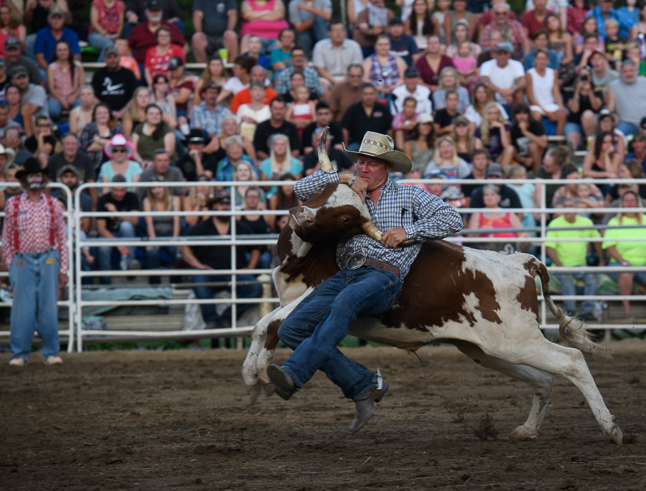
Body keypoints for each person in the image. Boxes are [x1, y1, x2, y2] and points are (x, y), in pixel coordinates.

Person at [266, 130, 463, 433]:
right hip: (347, 273)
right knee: (292, 328)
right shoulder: (345, 190)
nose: (364, 168)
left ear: (387, 167)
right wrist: (341, 178)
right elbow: (301, 188)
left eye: (372, 163)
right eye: (360, 161)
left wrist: (407, 232)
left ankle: (293, 374)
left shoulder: (409, 195)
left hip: (385, 275)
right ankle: (364, 384)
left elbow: (453, 219)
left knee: (346, 300)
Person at [2, 157, 67, 366]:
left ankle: (51, 351)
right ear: (25, 180)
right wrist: (12, 264)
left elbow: (62, 238)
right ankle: (20, 353)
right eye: (31, 175)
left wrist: (63, 268)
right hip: (22, 259)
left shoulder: (53, 204)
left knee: (48, 304)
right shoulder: (13, 204)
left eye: (38, 175)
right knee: (23, 307)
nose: (35, 178)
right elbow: (7, 237)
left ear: (43, 178)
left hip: (49, 256)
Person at [183, 189, 263, 329]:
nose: (225, 207)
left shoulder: (240, 227)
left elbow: (257, 247)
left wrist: (250, 269)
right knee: (198, 279)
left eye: (228, 204)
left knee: (255, 287)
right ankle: (212, 320)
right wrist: (199, 265)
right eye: (221, 204)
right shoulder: (202, 227)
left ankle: (227, 318)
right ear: (214, 206)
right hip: (211, 274)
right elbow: (184, 247)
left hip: (236, 273)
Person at [602, 189, 646, 318]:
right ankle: (627, 311)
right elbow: (610, 247)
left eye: (632, 200)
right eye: (627, 200)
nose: (630, 203)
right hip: (619, 263)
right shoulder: (614, 222)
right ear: (622, 203)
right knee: (625, 273)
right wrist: (623, 261)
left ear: (637, 203)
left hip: (644, 263)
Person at [546, 195, 603, 320]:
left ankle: (587, 311)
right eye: (565, 206)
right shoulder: (555, 224)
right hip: (560, 266)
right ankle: (570, 311)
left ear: (576, 208)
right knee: (566, 276)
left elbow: (598, 241)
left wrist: (602, 259)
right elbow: (549, 249)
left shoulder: (586, 222)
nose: (567, 209)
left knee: (591, 275)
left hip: (580, 265)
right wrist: (561, 266)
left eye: (570, 206)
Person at [96, 174, 141, 283]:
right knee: (103, 247)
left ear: (127, 188)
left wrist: (116, 213)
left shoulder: (132, 197)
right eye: (116, 190)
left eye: (122, 190)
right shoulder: (103, 199)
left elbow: (134, 221)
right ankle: (105, 282)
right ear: (111, 188)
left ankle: (129, 268)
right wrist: (118, 243)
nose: (119, 193)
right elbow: (101, 229)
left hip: (125, 234)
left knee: (126, 226)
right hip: (108, 235)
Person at [608, 59, 646, 137]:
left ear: (636, 71)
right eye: (625, 71)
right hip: (626, 123)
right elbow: (611, 109)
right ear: (620, 73)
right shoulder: (614, 85)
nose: (629, 74)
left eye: (631, 70)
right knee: (616, 138)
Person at [142, 179, 180, 282]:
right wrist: (153, 239)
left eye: (159, 187)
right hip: (155, 233)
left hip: (170, 234)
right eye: (153, 188)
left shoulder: (175, 199)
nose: (156, 190)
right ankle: (154, 284)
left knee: (174, 249)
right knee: (152, 251)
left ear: (164, 187)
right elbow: (149, 222)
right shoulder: (147, 201)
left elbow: (177, 221)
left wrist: (174, 240)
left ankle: (175, 282)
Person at [127, 0, 185, 68]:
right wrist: (132, 64)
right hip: (143, 66)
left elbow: (184, 45)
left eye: (157, 10)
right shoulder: (137, 30)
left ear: (161, 12)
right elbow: (129, 48)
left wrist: (179, 62)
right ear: (146, 12)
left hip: (168, 66)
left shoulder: (171, 28)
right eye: (152, 11)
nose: (155, 13)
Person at [312, 21, 364, 91]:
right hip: (328, 78)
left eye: (341, 30)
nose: (338, 33)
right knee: (321, 83)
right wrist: (334, 81)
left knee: (358, 80)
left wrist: (343, 82)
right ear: (329, 33)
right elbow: (320, 69)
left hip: (349, 78)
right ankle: (328, 102)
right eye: (335, 30)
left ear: (345, 32)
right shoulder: (320, 46)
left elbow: (356, 69)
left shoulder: (354, 46)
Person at [525, 48, 566, 135]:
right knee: (536, 115)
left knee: (563, 114)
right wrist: (547, 113)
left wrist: (561, 106)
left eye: (544, 59)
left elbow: (556, 93)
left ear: (547, 60)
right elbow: (530, 98)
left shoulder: (553, 72)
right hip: (537, 106)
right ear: (535, 60)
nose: (542, 61)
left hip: (550, 105)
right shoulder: (529, 74)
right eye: (540, 58)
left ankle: (559, 143)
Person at [342, 83, 393, 150]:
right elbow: (345, 128)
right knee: (349, 152)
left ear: (376, 95)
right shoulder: (353, 109)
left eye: (371, 94)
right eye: (366, 94)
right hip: (358, 144)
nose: (369, 97)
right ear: (361, 95)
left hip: (379, 145)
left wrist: (389, 146)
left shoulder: (383, 109)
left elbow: (389, 129)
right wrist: (346, 145)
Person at [91, 46, 136, 118]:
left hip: (125, 114)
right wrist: (106, 112)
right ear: (104, 59)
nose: (113, 60)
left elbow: (134, 97)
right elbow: (93, 96)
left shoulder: (129, 74)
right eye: (109, 57)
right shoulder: (98, 75)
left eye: (115, 57)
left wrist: (121, 113)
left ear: (119, 57)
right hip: (103, 115)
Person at [33, 5, 80, 73]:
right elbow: (39, 58)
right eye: (53, 18)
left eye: (59, 18)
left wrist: (67, 71)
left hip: (67, 70)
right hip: (47, 69)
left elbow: (77, 56)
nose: (56, 21)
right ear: (48, 20)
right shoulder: (41, 34)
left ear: (63, 20)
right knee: (41, 74)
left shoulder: (72, 34)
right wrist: (51, 72)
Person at [478, 41, 525, 108]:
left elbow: (522, 81)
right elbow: (485, 81)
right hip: (494, 95)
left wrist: (511, 90)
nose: (502, 56)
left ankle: (518, 115)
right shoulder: (486, 65)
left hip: (511, 96)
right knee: (487, 90)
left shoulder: (517, 64)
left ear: (509, 55)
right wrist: (500, 91)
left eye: (505, 53)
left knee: (519, 92)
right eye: (500, 54)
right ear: (495, 55)